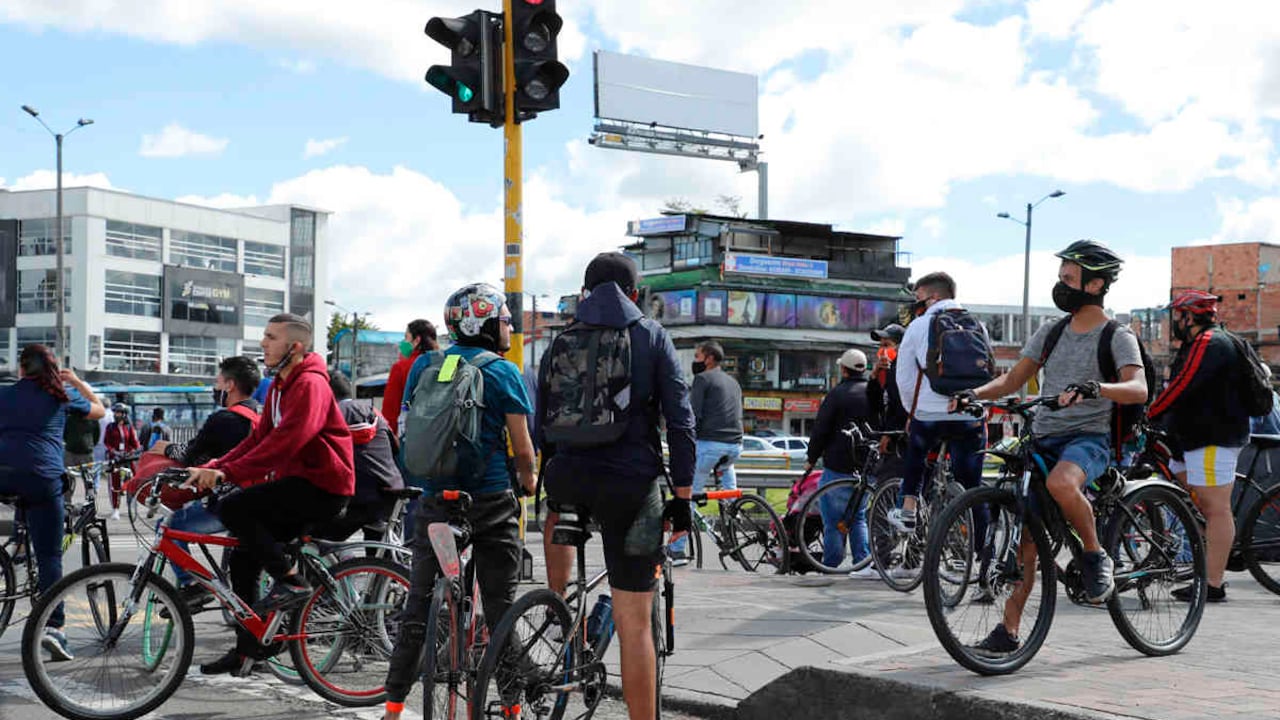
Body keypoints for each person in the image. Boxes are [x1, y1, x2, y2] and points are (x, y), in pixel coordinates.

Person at [954, 240, 1147, 653]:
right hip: (1044, 437)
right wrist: (975, 393)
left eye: (1068, 279)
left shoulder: (1117, 335)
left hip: (1088, 439)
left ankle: (1095, 557)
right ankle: (1008, 631)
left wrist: (1098, 387)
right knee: (1027, 541)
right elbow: (1010, 381)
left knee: (1063, 483)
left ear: (1094, 285)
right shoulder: (1052, 331)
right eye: (1060, 279)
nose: (1060, 287)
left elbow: (1138, 388)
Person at [538, 252, 696, 720]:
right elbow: (681, 423)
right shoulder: (650, 335)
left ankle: (558, 608)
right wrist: (682, 498)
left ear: (585, 294)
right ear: (634, 294)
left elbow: (541, 419)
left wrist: (551, 479)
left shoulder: (560, 340)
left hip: (566, 481)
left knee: (562, 516)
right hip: (629, 486)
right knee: (634, 626)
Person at [383, 284, 536, 720]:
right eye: (505, 319)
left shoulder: (426, 364)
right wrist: (528, 481)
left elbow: (412, 426)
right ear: (485, 322)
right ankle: (511, 707)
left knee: (418, 603)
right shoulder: (502, 371)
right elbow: (523, 450)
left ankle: (393, 708)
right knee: (500, 606)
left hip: (434, 501)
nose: (509, 326)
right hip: (488, 502)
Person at [185, 314, 355, 675]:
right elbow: (258, 439)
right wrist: (216, 465)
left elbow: (287, 442)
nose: (263, 343)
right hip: (299, 482)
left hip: (324, 486)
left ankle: (292, 581)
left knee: (234, 508)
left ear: (294, 347)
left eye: (270, 337)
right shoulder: (279, 384)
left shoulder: (310, 384)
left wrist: (224, 474)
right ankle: (250, 647)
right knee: (244, 560)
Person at [0, 345, 105, 660]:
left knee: (20, 493)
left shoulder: (4, 393)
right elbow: (99, 409)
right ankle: (54, 629)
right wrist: (74, 381)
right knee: (49, 554)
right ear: (52, 369)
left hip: (3, 475)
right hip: (43, 476)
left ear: (21, 369)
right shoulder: (60, 394)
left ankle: (17, 546)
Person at [1148, 290, 1248, 603]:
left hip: (1212, 437)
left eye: (1177, 317)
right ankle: (1220, 548)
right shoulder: (1202, 342)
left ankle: (1213, 584)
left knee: (1215, 509)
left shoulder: (1209, 343)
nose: (1174, 323)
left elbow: (1180, 386)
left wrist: (1148, 412)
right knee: (1197, 498)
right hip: (1194, 438)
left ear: (1189, 316)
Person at [150, 356, 263, 610]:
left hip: (233, 502)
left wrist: (165, 449)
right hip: (264, 497)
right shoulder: (262, 414)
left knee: (168, 526)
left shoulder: (224, 419)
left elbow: (189, 455)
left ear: (230, 385)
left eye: (217, 381)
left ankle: (191, 585)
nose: (215, 387)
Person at [887, 273, 989, 535]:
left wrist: (913, 412)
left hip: (930, 415)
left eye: (918, 297)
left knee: (917, 454)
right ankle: (981, 548)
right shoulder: (978, 324)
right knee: (972, 486)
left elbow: (905, 380)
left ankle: (908, 510)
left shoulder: (919, 326)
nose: (915, 303)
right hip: (969, 414)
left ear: (933, 297)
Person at [802, 348, 877, 578]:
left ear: (843, 369)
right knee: (859, 516)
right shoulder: (874, 394)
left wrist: (811, 459)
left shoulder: (837, 394)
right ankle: (861, 564)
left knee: (833, 519)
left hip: (837, 466)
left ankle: (831, 566)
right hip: (867, 467)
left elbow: (821, 429)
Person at [667, 340, 742, 563]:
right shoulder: (733, 382)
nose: (695, 361)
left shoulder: (702, 379)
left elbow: (692, 416)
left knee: (686, 496)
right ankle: (734, 536)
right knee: (730, 495)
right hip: (734, 447)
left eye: (698, 356)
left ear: (709, 358)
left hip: (709, 445)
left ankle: (678, 550)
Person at [316, 371, 403, 542]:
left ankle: (343, 562)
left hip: (359, 496)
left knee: (317, 538)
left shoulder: (332, 413)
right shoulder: (373, 411)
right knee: (381, 560)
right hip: (391, 489)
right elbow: (396, 447)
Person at [382, 319, 438, 435]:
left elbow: (391, 410)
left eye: (406, 337)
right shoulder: (445, 363)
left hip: (411, 436)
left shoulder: (401, 367)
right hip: (439, 434)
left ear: (417, 340)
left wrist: (390, 437)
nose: (403, 342)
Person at [867, 322, 908, 456]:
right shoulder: (885, 372)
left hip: (900, 439)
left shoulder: (904, 370)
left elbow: (900, 406)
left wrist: (890, 433)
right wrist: (874, 376)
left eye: (886, 345)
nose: (882, 351)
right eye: (880, 346)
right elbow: (875, 404)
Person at [104, 402, 141, 520]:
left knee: (132, 482)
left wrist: (131, 452)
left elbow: (135, 444)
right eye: (115, 412)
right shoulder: (110, 427)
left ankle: (131, 506)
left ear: (124, 414)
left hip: (127, 459)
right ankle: (115, 509)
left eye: (119, 412)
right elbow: (107, 443)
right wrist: (114, 452)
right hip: (115, 459)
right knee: (114, 484)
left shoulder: (129, 427)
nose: (116, 415)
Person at [63, 394, 101, 506]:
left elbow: (96, 435)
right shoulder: (70, 418)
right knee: (68, 480)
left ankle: (90, 504)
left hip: (84, 453)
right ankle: (67, 503)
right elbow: (65, 433)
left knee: (88, 480)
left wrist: (89, 445)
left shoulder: (92, 419)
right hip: (72, 452)